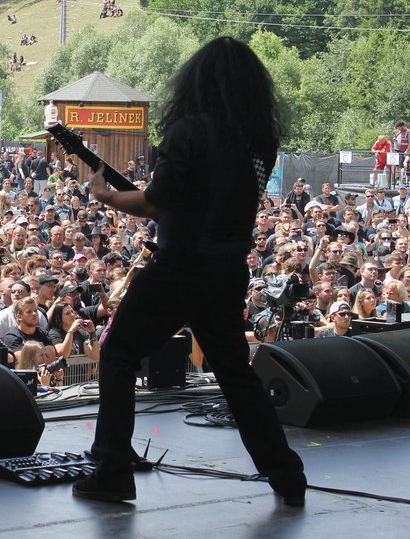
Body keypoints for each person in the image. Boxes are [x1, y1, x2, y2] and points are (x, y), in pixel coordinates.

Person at [70, 37, 306, 506]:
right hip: (226, 269)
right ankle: (286, 474)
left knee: (116, 352)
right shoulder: (261, 141)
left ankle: (112, 469)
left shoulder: (189, 130)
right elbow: (204, 199)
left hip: (180, 265)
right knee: (236, 374)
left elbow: (158, 201)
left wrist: (107, 195)